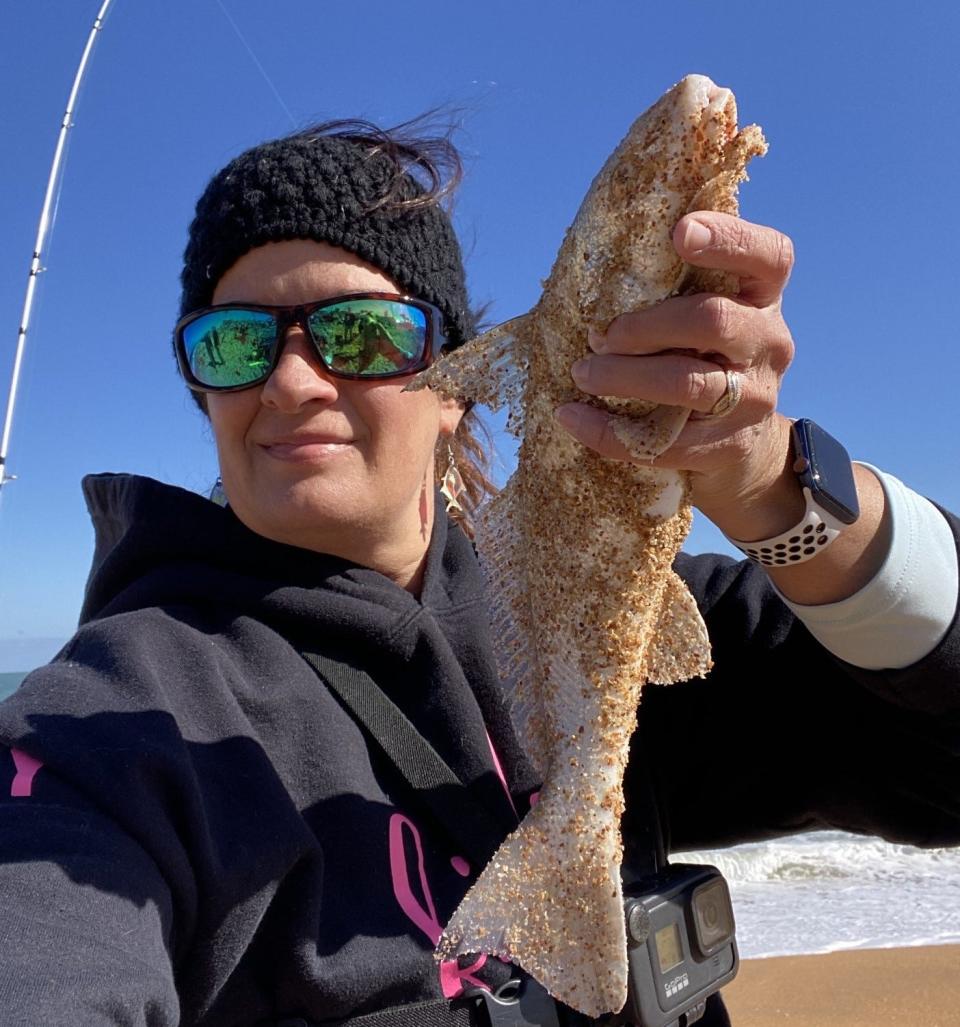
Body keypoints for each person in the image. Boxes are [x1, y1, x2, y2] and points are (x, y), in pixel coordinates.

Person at [0, 117, 957, 1027]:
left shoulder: (600, 635)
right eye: (236, 342)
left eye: (362, 334)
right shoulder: (109, 723)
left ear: (458, 385)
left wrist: (779, 492)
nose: (291, 381)